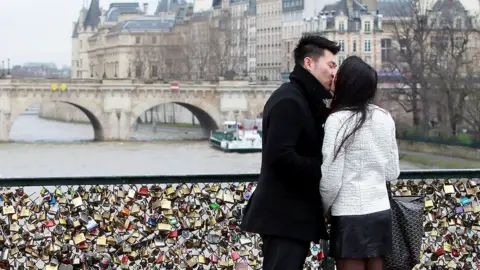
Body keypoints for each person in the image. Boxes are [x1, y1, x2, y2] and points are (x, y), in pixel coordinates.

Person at [240, 33, 340, 270]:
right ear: (308, 63)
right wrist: (322, 169)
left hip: (290, 217)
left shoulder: (302, 98)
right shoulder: (290, 101)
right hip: (284, 217)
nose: (334, 73)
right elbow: (281, 157)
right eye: (331, 65)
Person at [319, 56, 400, 270]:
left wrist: (322, 208)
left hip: (349, 214)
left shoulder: (337, 121)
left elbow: (331, 179)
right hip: (380, 211)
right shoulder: (384, 117)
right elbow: (392, 172)